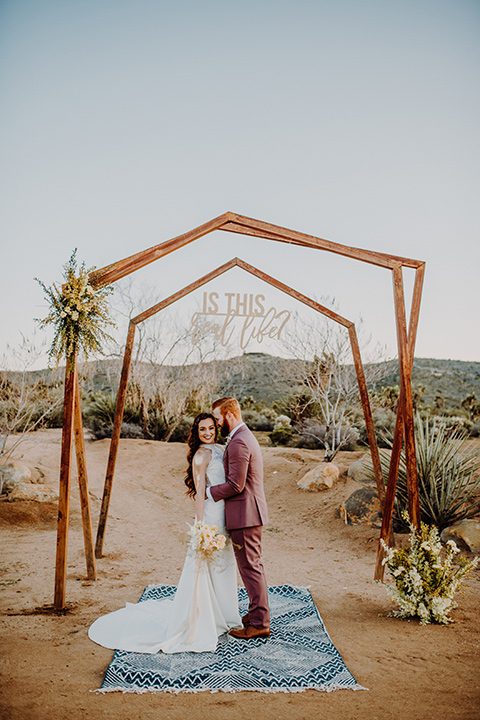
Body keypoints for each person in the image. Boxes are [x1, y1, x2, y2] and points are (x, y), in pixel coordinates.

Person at [88, 412, 242, 654]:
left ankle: (225, 615)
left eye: (211, 428)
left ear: (216, 428)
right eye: (202, 430)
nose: (208, 433)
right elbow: (200, 493)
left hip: (225, 515)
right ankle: (203, 618)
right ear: (196, 432)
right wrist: (201, 526)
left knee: (224, 564)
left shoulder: (222, 449)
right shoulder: (200, 456)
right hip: (210, 516)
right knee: (204, 566)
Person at [209, 397, 270, 639]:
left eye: (217, 418)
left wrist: (208, 492)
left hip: (245, 515)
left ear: (229, 415)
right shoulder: (243, 437)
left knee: (251, 568)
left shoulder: (238, 443)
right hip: (249, 513)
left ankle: (259, 623)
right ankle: (257, 613)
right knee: (252, 567)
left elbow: (236, 485)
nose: (215, 423)